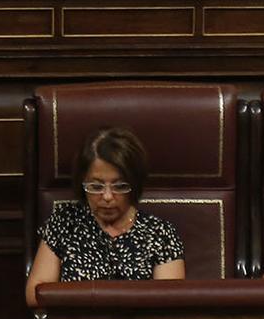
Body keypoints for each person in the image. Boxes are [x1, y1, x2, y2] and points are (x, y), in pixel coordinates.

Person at [25, 127, 185, 306]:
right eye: (96, 186)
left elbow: (170, 304)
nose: (107, 196)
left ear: (134, 184)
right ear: (82, 183)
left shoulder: (160, 233)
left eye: (119, 186)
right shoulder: (63, 224)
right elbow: (35, 295)